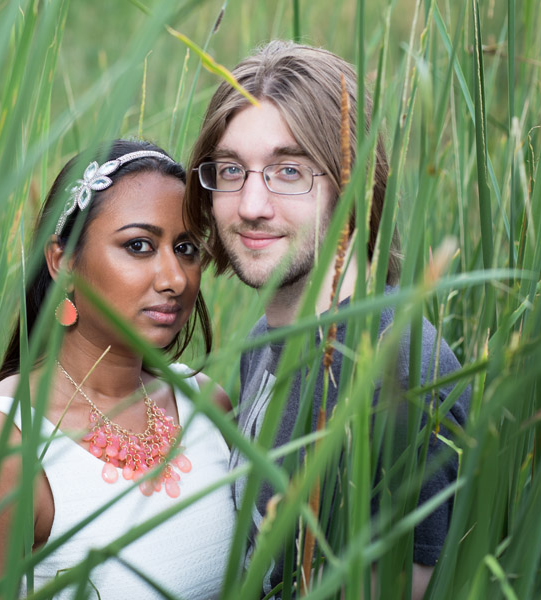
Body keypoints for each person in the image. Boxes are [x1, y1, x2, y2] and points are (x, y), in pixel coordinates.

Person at [184, 41, 470, 598]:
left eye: (289, 171)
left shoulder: (399, 370)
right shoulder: (263, 341)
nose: (251, 205)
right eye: (231, 170)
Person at [0, 139, 235, 599]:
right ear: (64, 262)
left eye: (186, 248)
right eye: (139, 245)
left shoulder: (206, 403)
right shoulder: (1, 445)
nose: (174, 279)